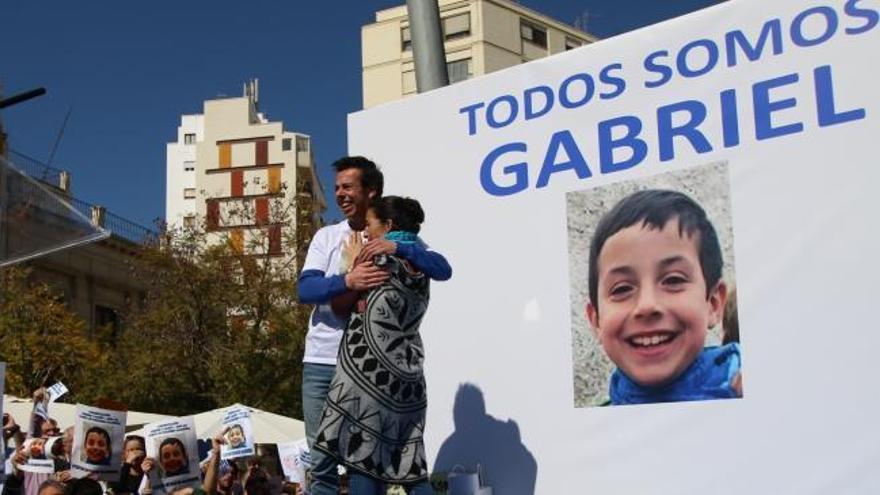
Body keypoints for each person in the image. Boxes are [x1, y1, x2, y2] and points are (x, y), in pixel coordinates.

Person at [297, 156, 451, 495]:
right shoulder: (327, 236)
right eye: (336, 188)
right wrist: (348, 279)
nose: (340, 194)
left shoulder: (396, 241)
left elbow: (440, 267)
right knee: (322, 460)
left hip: (373, 366)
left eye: (348, 187)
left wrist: (397, 246)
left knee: (367, 459)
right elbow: (305, 289)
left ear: (372, 191)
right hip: (323, 361)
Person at [585, 189, 742, 405]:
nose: (647, 305)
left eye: (673, 280)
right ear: (596, 321)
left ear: (713, 304)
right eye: (621, 289)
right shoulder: (589, 431)